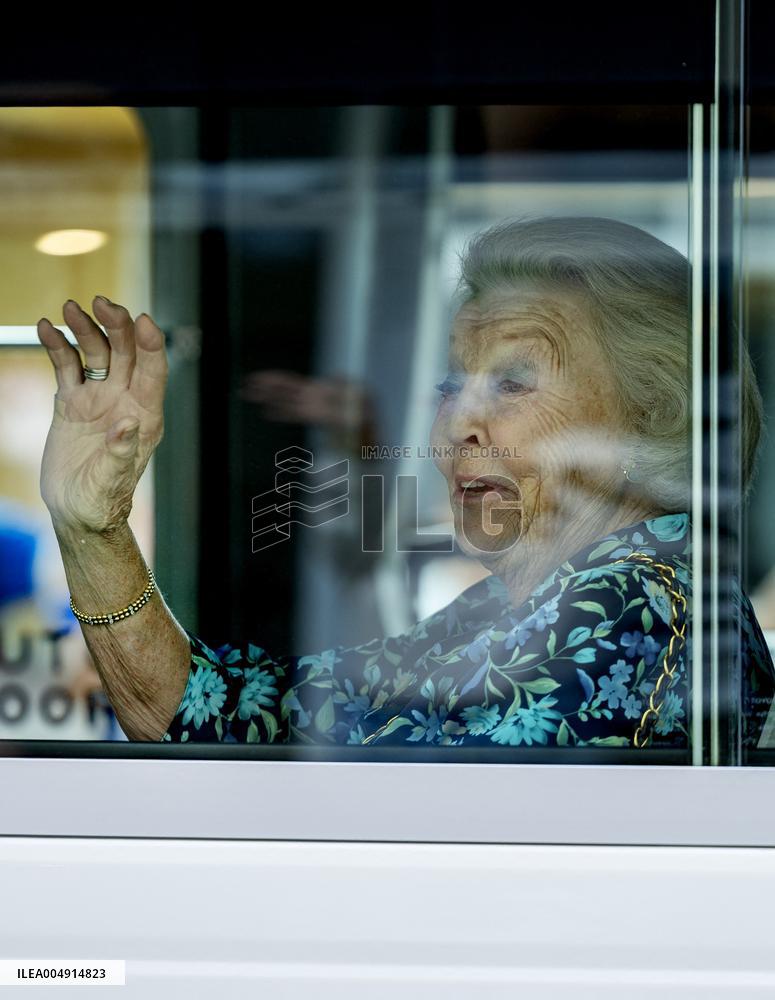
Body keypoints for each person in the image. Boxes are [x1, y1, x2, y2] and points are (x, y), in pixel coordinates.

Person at [36, 218, 775, 748]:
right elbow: (229, 714)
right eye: (451, 385)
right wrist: (91, 523)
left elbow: (326, 798)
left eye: (513, 382)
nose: (457, 426)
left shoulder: (635, 605)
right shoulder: (522, 601)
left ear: (650, 414)